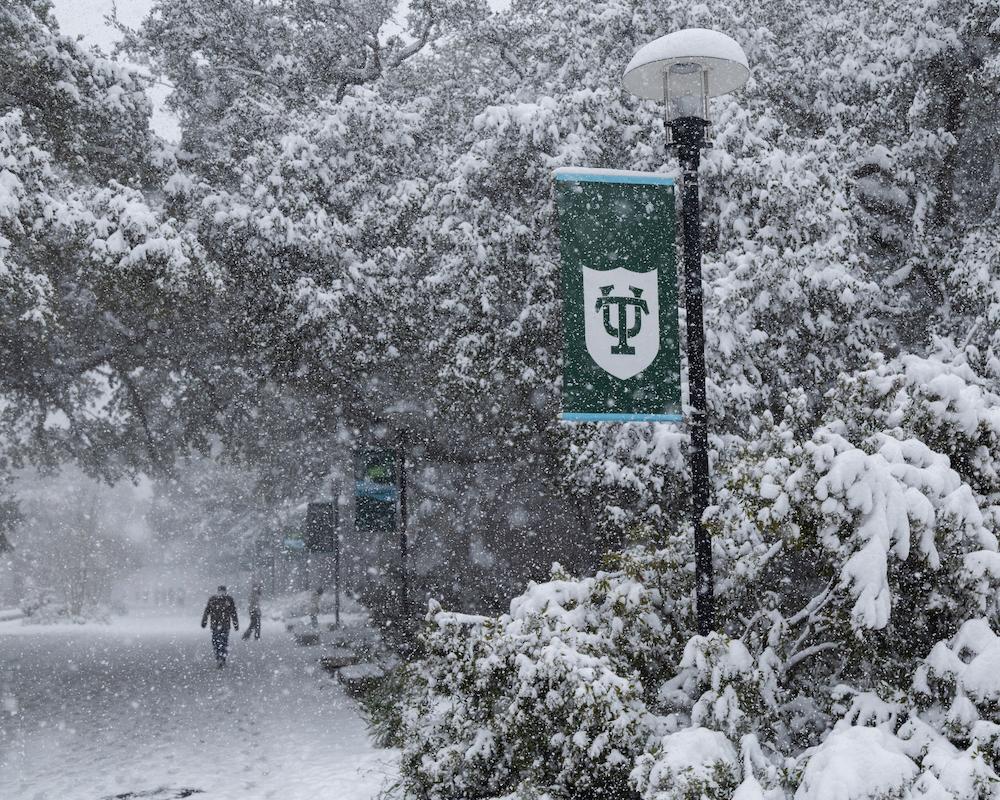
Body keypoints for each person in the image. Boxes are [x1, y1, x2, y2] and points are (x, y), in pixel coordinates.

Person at [201, 585, 239, 668]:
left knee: (223, 642)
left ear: (225, 592)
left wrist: (236, 624)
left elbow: (233, 613)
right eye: (220, 591)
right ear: (218, 592)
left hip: (224, 625)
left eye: (223, 591)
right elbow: (207, 611)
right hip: (215, 625)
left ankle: (222, 658)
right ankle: (219, 658)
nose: (221, 593)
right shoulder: (213, 600)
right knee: (216, 642)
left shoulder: (229, 600)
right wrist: (204, 621)